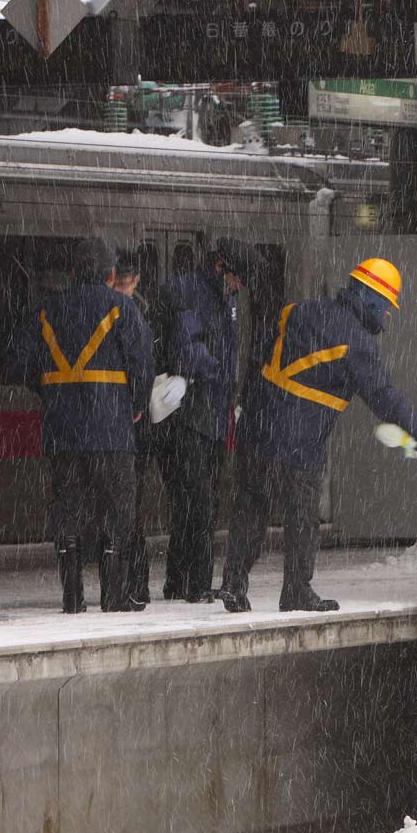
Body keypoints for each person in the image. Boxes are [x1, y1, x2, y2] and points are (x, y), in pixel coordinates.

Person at [218, 258, 417, 613]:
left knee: (250, 506)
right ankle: (296, 590)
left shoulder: (297, 310)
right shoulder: (357, 344)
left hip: (257, 426)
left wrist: (246, 402)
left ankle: (233, 582)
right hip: (299, 438)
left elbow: (258, 352)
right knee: (302, 515)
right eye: (385, 305)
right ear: (369, 297)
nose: (387, 315)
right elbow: (384, 399)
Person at [16, 238, 154, 613]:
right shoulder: (123, 309)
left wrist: (56, 397)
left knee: (68, 510)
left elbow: (26, 367)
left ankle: (72, 594)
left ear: (73, 272)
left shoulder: (45, 312)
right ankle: (114, 594)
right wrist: (137, 404)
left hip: (62, 432)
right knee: (116, 511)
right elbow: (142, 365)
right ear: (111, 275)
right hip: (111, 431)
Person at [157, 237, 262, 603]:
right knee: (196, 503)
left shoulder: (225, 298)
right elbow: (188, 347)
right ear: (221, 267)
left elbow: (226, 348)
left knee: (204, 502)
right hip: (190, 415)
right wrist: (215, 374)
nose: (238, 289)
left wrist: (231, 397)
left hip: (215, 413)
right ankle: (195, 583)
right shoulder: (188, 292)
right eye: (236, 280)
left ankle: (180, 581)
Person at [112, 248, 157, 607]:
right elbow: (143, 365)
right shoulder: (137, 311)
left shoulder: (129, 309)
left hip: (119, 425)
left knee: (122, 507)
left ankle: (131, 582)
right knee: (127, 507)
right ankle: (132, 584)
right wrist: (139, 405)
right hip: (127, 425)